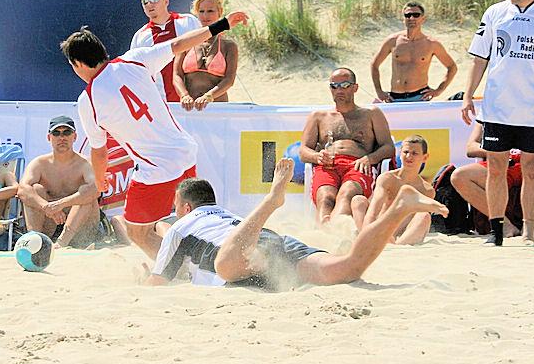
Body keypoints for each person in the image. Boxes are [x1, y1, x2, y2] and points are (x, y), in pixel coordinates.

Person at [61, 10, 249, 259]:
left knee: (136, 231)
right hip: (185, 153)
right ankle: (215, 257)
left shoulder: (88, 100)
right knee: (188, 220)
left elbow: (99, 151)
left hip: (156, 170)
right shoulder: (134, 59)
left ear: (78, 64)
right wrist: (221, 25)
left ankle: (178, 269)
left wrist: (99, 180)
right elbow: (179, 44)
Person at [145, 158, 448, 288]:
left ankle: (272, 200)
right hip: (273, 242)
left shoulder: (181, 227)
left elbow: (158, 284)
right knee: (348, 268)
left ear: (186, 207)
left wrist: (143, 277)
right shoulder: (223, 215)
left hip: (240, 254)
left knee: (225, 265)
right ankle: (400, 208)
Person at [461, 0, 534, 245]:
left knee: (532, 169)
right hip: (498, 107)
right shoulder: (494, 13)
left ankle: (529, 232)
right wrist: (467, 95)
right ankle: (497, 231)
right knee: (496, 167)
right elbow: (479, 58)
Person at [299, 68, 395, 227]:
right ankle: (324, 231)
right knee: (325, 197)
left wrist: (369, 158)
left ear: (355, 87)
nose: (339, 90)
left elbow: (388, 147)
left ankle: (335, 229)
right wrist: (317, 156)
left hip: (357, 164)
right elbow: (303, 151)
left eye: (344, 85)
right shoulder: (318, 117)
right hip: (327, 165)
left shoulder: (371, 114)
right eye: (334, 86)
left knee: (346, 194)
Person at [18, 115, 122, 247]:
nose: (62, 137)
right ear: (49, 137)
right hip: (49, 223)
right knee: (35, 190)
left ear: (75, 136)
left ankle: (62, 243)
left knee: (86, 191)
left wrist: (60, 204)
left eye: (66, 132)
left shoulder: (85, 163)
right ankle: (35, 241)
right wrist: (46, 206)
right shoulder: (39, 163)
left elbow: (95, 190)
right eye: (56, 133)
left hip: (81, 228)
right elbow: (22, 190)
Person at [450, 120, 534, 237]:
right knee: (459, 176)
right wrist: (500, 150)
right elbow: (471, 148)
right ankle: (504, 224)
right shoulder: (491, 113)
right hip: (501, 162)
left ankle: (529, 225)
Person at [352, 135, 434, 245]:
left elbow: (414, 221)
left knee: (424, 216)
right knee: (358, 200)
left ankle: (397, 247)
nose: (409, 156)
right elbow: (374, 209)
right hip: (376, 228)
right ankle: (366, 238)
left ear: (425, 157)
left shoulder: (427, 190)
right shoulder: (387, 178)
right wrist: (369, 232)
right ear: (400, 153)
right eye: (405, 152)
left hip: (398, 234)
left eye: (414, 153)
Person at [371, 2, 457, 102]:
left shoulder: (432, 44)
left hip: (420, 96)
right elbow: (374, 65)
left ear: (423, 19)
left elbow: (452, 67)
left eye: (416, 15)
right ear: (403, 19)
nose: (411, 18)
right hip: (395, 97)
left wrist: (439, 90)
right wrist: (379, 91)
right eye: (408, 15)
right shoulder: (393, 40)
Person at [130, 0, 201, 102]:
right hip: (162, 103)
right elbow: (136, 74)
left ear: (166, 1)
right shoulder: (140, 37)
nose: (149, 4)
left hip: (195, 100)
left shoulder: (188, 22)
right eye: (145, 1)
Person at [173, 0, 238, 111]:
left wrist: (209, 96)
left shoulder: (228, 46)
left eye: (210, 11)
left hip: (218, 108)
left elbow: (229, 80)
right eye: (201, 11)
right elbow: (177, 75)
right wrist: (184, 95)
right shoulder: (187, 42)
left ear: (220, 12)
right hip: (190, 108)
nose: (205, 15)